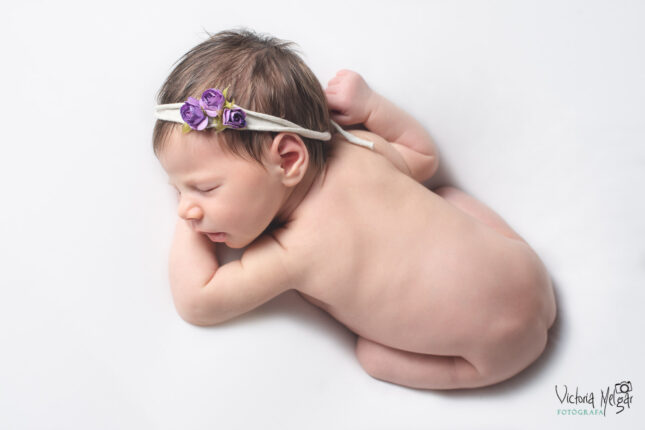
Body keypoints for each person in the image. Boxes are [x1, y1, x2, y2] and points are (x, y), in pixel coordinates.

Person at [152, 28, 556, 390]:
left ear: (289, 159)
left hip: (493, 356)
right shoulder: (362, 149)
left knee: (371, 356)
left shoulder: (293, 252)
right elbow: (423, 156)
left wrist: (188, 228)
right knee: (447, 193)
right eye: (178, 191)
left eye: (204, 188)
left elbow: (198, 301)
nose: (187, 208)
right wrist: (370, 106)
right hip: (529, 272)